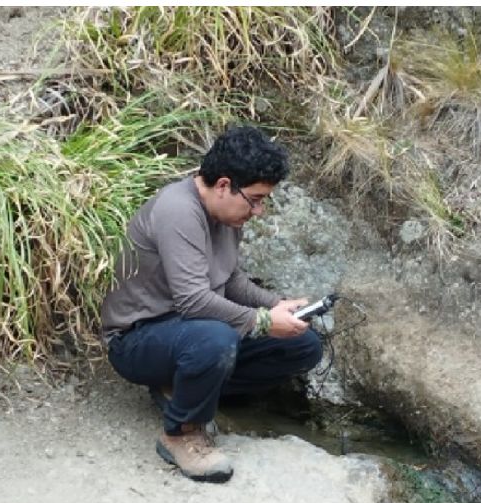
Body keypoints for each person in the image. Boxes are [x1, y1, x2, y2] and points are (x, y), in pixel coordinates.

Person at [99, 126, 322, 483]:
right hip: (138, 339)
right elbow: (192, 300)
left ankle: (184, 387)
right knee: (215, 339)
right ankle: (181, 435)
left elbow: (230, 280)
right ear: (223, 185)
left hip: (189, 333)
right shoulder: (178, 210)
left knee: (303, 346)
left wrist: (278, 306)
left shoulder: (227, 214)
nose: (259, 210)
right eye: (255, 199)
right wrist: (263, 320)